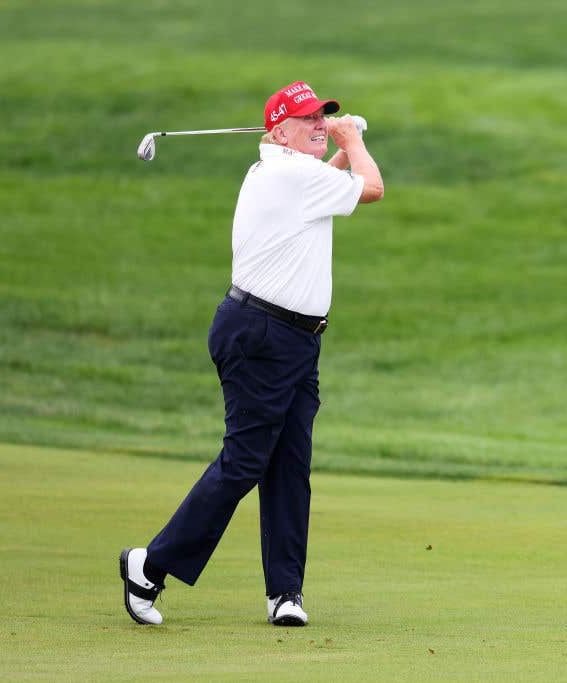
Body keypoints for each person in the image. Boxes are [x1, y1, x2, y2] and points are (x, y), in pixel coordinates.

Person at [120, 80, 384, 627]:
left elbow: (337, 181)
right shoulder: (289, 172)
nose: (320, 124)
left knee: (289, 465)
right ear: (279, 132)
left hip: (292, 339)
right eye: (309, 119)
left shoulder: (290, 174)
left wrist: (342, 144)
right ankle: (149, 564)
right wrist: (352, 138)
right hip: (262, 335)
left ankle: (285, 593)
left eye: (324, 116)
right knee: (245, 462)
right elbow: (371, 188)